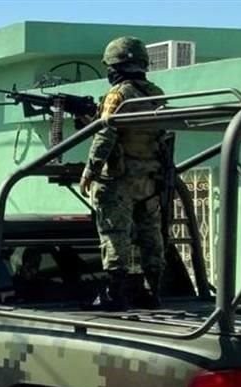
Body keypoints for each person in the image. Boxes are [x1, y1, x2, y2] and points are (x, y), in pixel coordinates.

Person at [79, 36, 167, 311]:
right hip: (149, 179)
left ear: (114, 67)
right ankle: (153, 293)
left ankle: (114, 295)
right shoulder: (156, 92)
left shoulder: (118, 94)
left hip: (118, 178)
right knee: (151, 235)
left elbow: (106, 134)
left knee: (115, 234)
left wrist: (90, 171)